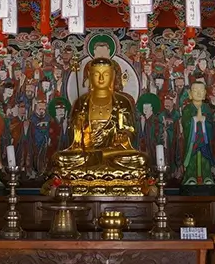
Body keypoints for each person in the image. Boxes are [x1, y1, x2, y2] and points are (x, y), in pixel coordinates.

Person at [43, 58, 150, 196]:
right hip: (86, 154)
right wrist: (78, 126)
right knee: (60, 159)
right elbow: (75, 139)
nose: (100, 78)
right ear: (89, 76)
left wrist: (123, 136)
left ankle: (98, 169)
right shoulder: (81, 102)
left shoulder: (122, 102)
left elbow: (130, 130)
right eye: (96, 74)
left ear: (112, 76)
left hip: (114, 153)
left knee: (139, 160)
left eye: (105, 74)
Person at [180, 79, 215, 186]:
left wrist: (205, 121)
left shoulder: (207, 108)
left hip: (204, 141)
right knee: (192, 159)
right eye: (195, 90)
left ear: (205, 94)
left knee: (205, 159)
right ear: (190, 94)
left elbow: (211, 124)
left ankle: (207, 177)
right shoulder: (187, 108)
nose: (198, 93)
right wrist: (194, 120)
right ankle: (190, 178)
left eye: (201, 90)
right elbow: (185, 123)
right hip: (192, 141)